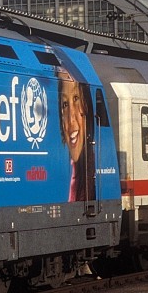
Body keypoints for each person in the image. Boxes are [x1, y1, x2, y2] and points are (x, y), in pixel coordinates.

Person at [57, 68, 94, 202]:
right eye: (65, 104)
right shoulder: (71, 175)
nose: (71, 120)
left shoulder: (92, 177)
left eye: (76, 98)